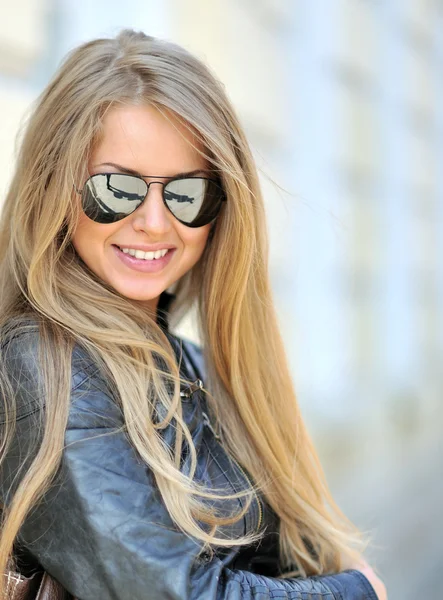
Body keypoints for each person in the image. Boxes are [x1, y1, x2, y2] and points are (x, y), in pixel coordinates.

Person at [0, 29, 387, 600]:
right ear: (55, 187)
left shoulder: (198, 367)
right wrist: (360, 592)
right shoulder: (46, 368)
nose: (155, 223)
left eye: (186, 194)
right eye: (117, 188)